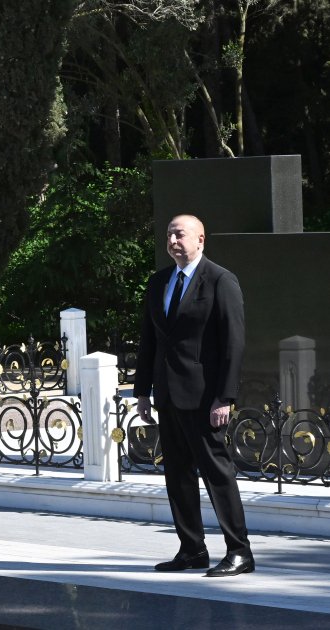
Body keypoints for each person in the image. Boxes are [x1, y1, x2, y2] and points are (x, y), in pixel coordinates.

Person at [135, 214, 253, 577]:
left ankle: (239, 552)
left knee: (218, 474)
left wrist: (225, 397)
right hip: (168, 395)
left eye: (180, 234)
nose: (173, 240)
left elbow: (233, 342)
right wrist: (142, 392)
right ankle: (191, 549)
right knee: (177, 476)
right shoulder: (159, 282)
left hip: (204, 398)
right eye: (169, 234)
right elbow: (150, 341)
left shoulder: (220, 280)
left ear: (200, 239)